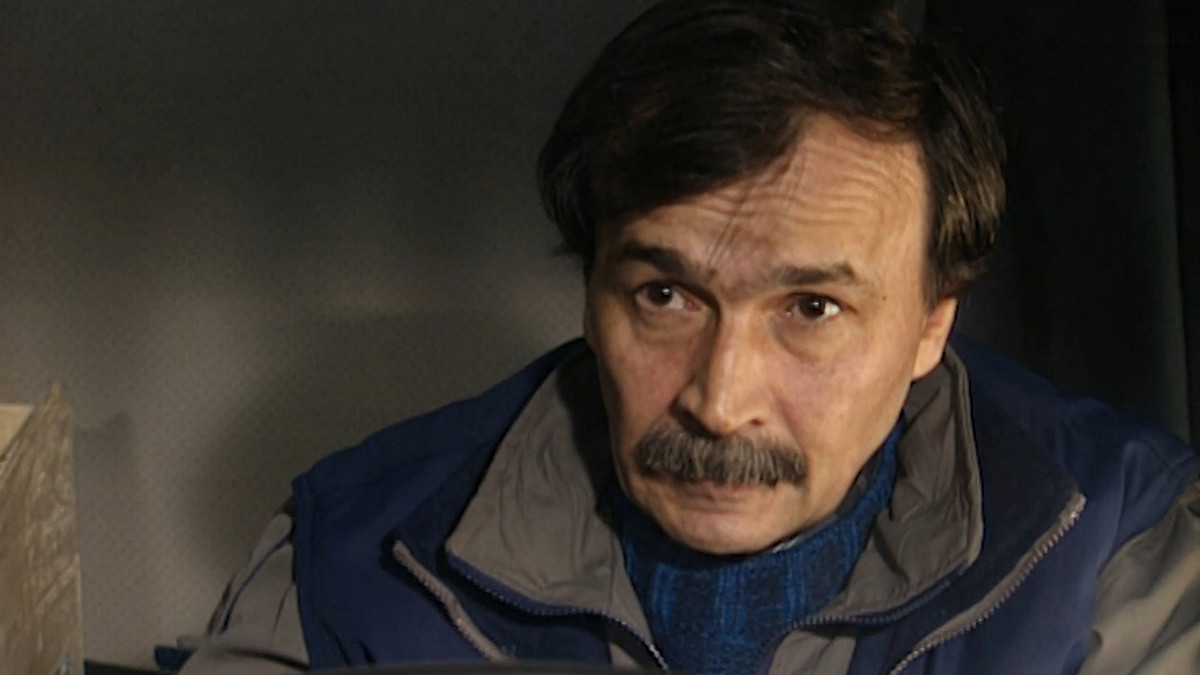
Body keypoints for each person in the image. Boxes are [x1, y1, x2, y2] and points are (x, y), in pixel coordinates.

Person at [176, 1, 1200, 673]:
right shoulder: (347, 559)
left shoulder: (1121, 547)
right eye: (665, 295)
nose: (720, 398)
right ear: (593, 287)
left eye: (811, 309)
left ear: (933, 322)